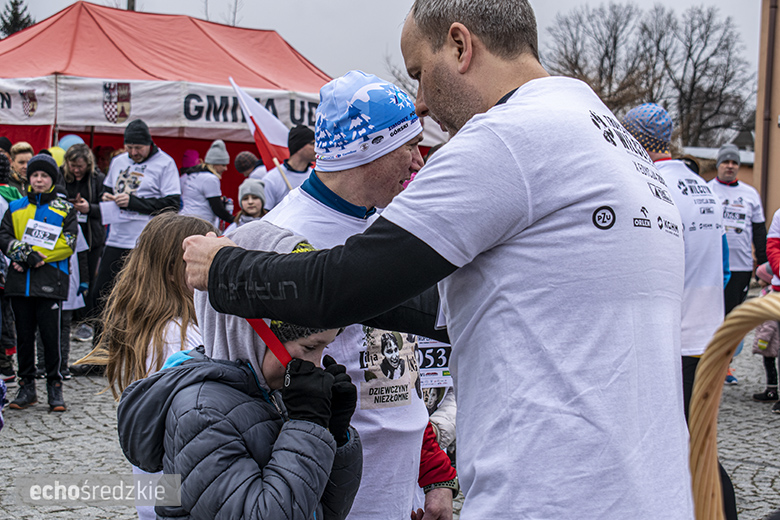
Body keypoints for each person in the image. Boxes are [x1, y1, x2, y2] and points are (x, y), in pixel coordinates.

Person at [182, 1, 695, 517]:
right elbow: (435, 309)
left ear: (459, 45)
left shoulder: (510, 137)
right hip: (647, 491)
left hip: (551, 493)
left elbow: (345, 283)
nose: (421, 102)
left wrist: (223, 266)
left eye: (420, 74)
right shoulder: (606, 137)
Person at [262, 71, 456, 520]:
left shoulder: (390, 225)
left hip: (402, 484)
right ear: (367, 150)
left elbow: (399, 374)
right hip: (340, 488)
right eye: (409, 147)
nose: (418, 162)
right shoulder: (280, 236)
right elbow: (263, 384)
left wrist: (435, 476)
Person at [118, 217, 363, 520]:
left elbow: (324, 510)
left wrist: (334, 433)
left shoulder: (271, 390)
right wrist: (307, 425)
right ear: (251, 333)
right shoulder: (200, 412)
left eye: (326, 347)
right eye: (310, 348)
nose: (316, 365)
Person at [622, 103, 738, 520]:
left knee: (684, 444)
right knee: (698, 438)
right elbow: (725, 267)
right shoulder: (702, 186)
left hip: (674, 337)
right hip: (709, 334)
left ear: (636, 139)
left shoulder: (652, 186)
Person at [76, 212, 215, 520]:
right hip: (180, 490)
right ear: (172, 269)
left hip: (161, 487)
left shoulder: (163, 324)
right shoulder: (174, 336)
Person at [80, 119, 181, 377]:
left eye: (138, 147)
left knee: (142, 298)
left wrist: (134, 202)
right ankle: (100, 355)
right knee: (101, 294)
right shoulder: (118, 162)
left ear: (149, 144)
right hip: (116, 238)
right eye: (130, 147)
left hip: (145, 241)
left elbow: (173, 203)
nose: (133, 152)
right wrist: (106, 197)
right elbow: (106, 188)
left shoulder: (165, 163)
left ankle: (138, 354)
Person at [0, 154, 77, 412]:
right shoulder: (16, 207)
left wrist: (37, 258)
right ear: (29, 178)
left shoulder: (65, 209)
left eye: (44, 176)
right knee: (23, 337)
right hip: (20, 281)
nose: (39, 180)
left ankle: (55, 388)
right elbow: (4, 236)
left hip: (50, 279)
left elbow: (69, 243)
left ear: (52, 179)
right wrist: (25, 255)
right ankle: (27, 387)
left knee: (50, 337)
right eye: (35, 175)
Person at [62, 143, 106, 343]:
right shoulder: (62, 177)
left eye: (80, 166)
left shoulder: (97, 179)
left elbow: (105, 208)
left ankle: (86, 320)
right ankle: (73, 316)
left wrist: (89, 208)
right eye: (73, 166)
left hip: (90, 235)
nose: (76, 170)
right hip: (67, 234)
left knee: (88, 276)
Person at [180, 139, 234, 228]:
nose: (226, 169)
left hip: (184, 220)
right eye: (223, 165)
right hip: (200, 223)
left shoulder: (190, 175)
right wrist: (235, 220)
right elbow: (217, 209)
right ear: (215, 163)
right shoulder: (210, 179)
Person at [0, 153, 20, 385]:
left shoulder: (7, 200)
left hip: (5, 265)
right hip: (8, 264)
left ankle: (5, 364)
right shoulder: (15, 197)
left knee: (4, 317)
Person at [263, 125, 315, 210]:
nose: (317, 148)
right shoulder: (272, 179)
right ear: (299, 146)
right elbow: (264, 214)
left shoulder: (315, 178)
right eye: (313, 143)